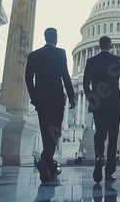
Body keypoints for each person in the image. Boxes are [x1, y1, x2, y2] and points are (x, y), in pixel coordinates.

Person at [25, 27, 76, 183]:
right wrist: (72, 97)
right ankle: (46, 161)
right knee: (54, 132)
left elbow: (28, 78)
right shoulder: (60, 53)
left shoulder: (34, 55)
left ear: (45, 37)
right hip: (56, 99)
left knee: (46, 131)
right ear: (56, 38)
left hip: (41, 100)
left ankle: (49, 165)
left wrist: (34, 97)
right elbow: (65, 76)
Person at [83, 36, 120, 183]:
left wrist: (92, 99)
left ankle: (99, 157)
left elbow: (85, 84)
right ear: (111, 46)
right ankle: (109, 171)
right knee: (113, 136)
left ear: (98, 46)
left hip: (98, 103)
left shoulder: (91, 61)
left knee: (100, 133)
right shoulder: (118, 60)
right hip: (114, 102)